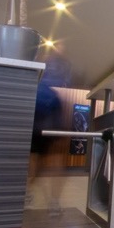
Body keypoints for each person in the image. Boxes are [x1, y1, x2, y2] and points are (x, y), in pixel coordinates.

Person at [27, 42, 71, 215]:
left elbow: (66, 80)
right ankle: (42, 198)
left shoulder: (59, 64)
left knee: (51, 161)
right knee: (37, 162)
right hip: (42, 107)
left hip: (48, 106)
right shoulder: (47, 62)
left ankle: (51, 200)